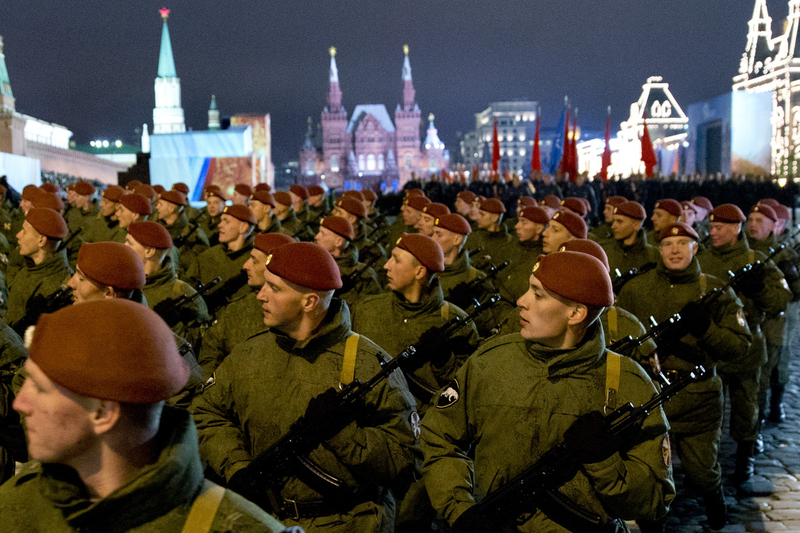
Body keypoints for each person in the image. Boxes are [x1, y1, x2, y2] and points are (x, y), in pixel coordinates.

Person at [421, 251, 675, 532]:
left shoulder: (626, 382)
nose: (521, 301)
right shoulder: (490, 362)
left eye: (538, 294)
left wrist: (605, 464)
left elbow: (655, 501)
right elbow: (439, 436)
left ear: (576, 313)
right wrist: (460, 509)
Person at [0, 298, 293, 532]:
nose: (20, 404)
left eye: (39, 388)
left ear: (103, 412)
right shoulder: (14, 507)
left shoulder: (232, 525)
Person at [192, 242, 418, 532]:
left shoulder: (368, 364)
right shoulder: (249, 354)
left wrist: (344, 436)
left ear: (309, 302)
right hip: (263, 520)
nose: (260, 296)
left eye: (274, 289)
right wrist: (236, 466)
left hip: (347, 524)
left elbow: (407, 461)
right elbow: (206, 412)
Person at [617, 222, 752, 530]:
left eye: (682, 243)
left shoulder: (714, 290)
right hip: (650, 395)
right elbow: (616, 338)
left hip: (698, 394)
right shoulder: (637, 289)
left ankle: (716, 510)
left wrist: (707, 329)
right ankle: (654, 524)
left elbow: (740, 346)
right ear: (659, 248)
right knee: (648, 470)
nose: (674, 249)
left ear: (695, 248)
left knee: (702, 471)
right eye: (667, 244)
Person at [697, 204, 792, 484]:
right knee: (707, 410)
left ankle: (745, 457)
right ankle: (706, 462)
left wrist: (759, 289)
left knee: (746, 406)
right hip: (711, 345)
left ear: (735, 229)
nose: (712, 232)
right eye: (711, 227)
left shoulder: (757, 258)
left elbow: (780, 301)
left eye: (719, 228)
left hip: (747, 345)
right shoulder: (701, 259)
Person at [352, 233, 479, 412]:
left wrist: (445, 360)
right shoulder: (366, 309)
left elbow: (467, 390)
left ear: (419, 272)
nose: (386, 266)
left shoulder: (456, 322)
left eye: (396, 260)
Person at [197, 232, 293, 378]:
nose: (245, 265)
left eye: (254, 261)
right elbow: (211, 351)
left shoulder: (292, 314)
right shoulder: (237, 309)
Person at [745, 204, 800, 425]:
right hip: (745, 323)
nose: (752, 225)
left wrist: (790, 276)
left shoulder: (784, 254)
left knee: (770, 373)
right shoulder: (740, 250)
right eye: (751, 220)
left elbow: (796, 292)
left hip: (773, 324)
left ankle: (766, 413)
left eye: (760, 221)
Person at [126, 221, 210, 352]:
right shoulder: (124, 284)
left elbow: (198, 350)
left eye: (129, 243)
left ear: (149, 251)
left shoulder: (183, 294)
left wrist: (174, 326)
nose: (124, 246)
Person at [6, 208, 72, 335]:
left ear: (41, 240)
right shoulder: (31, 266)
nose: (18, 235)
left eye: (24, 232)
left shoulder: (57, 287)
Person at [186, 204, 257, 314]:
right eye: (221, 221)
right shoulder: (208, 256)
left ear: (243, 227)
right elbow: (188, 286)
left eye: (227, 221)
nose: (220, 225)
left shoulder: (255, 260)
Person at [314, 216, 381, 309]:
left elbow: (369, 311)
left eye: (323, 233)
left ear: (338, 242)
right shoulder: (312, 262)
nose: (316, 236)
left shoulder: (365, 276)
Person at [156, 189, 210, 277]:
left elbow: (199, 265)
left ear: (171, 209)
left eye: (160, 204)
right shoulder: (159, 229)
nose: (157, 207)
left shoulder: (193, 234)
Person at [430, 213, 484, 300]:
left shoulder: (476, 279)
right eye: (433, 233)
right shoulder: (425, 270)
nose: (433, 239)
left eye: (439, 235)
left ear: (457, 240)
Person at [602, 200, 658, 275]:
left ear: (636, 225)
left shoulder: (653, 255)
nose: (613, 226)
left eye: (619, 221)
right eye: (613, 221)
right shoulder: (604, 250)